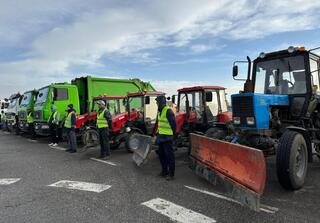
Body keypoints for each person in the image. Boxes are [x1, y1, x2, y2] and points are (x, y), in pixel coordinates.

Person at [155, 95, 176, 181]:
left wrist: (173, 136)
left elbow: (174, 125)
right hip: (161, 137)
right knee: (161, 156)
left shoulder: (168, 111)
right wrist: (157, 133)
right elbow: (160, 124)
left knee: (169, 157)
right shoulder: (160, 111)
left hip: (167, 138)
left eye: (157, 102)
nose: (156, 103)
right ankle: (164, 171)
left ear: (161, 102)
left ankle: (171, 174)